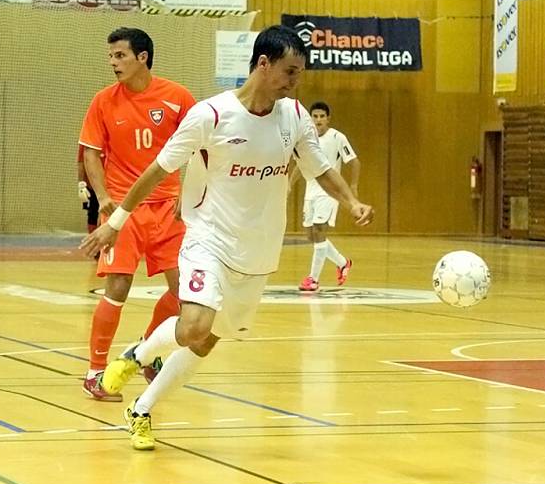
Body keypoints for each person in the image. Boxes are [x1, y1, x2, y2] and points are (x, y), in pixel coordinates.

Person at [80, 25, 374, 451]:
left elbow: (321, 169)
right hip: (208, 237)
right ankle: (138, 355)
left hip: (258, 249)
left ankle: (141, 406)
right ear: (263, 64)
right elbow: (157, 171)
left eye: (300, 74)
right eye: (290, 72)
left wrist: (351, 202)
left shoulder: (293, 117)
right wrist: (117, 219)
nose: (296, 82)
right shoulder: (210, 115)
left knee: (206, 341)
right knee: (194, 324)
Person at [78, 27, 196, 401]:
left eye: (120, 56)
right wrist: (103, 197)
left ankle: (145, 352)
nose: (113, 63)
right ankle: (95, 372)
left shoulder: (178, 98)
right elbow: (91, 154)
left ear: (142, 57)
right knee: (117, 287)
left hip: (168, 211)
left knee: (185, 293)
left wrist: (189, 190)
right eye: (111, 56)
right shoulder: (103, 101)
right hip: (124, 212)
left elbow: (203, 147)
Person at [292, 101, 361, 292]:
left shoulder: (338, 137)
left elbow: (354, 162)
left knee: (320, 232)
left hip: (329, 193)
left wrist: (353, 186)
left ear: (328, 119)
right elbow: (300, 164)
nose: (318, 120)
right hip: (311, 192)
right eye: (315, 116)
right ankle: (343, 262)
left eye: (322, 116)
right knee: (311, 236)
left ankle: (313, 279)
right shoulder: (307, 139)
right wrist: (289, 185)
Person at [77, 144, 99, 237]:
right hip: (92, 184)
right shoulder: (86, 143)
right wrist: (81, 185)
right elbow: (81, 162)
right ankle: (93, 241)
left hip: (111, 185)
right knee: (93, 213)